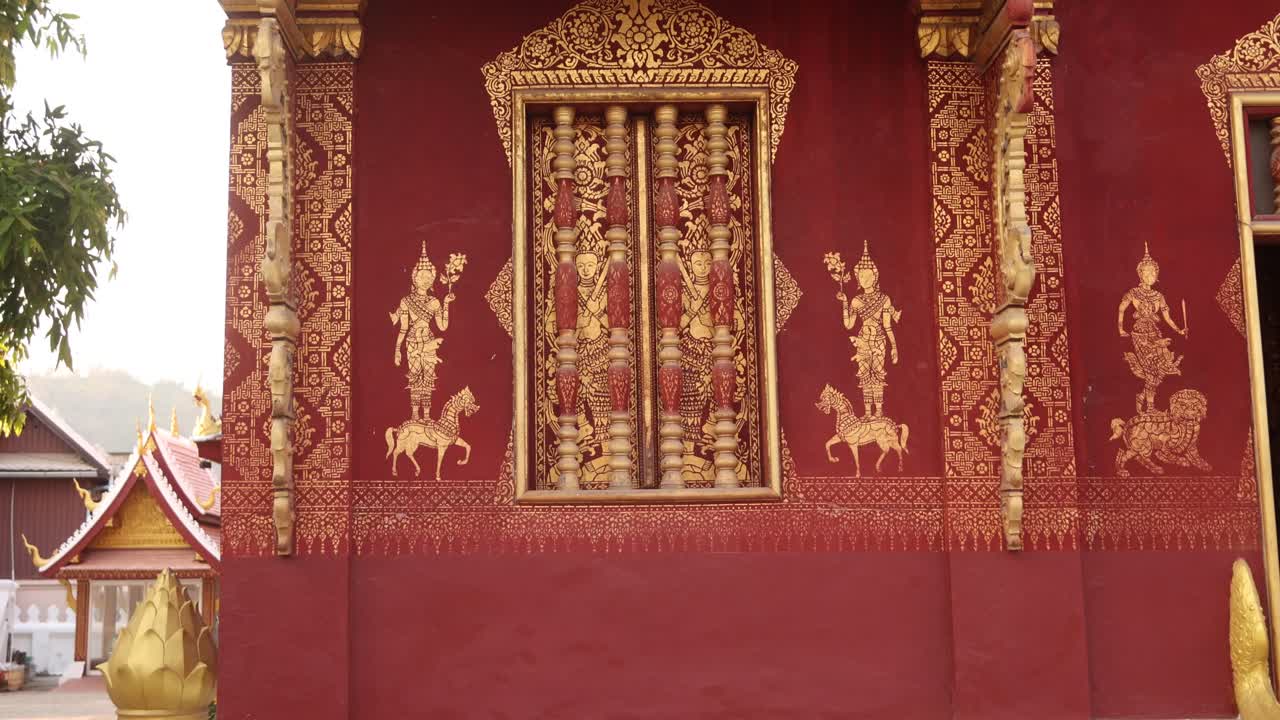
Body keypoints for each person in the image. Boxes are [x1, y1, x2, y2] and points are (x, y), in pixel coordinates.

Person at [1117, 242, 1184, 413]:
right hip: (1140, 335)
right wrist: (1121, 329)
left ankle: (1142, 397)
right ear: (1140, 274)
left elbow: (1167, 317)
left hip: (1155, 333)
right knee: (1151, 371)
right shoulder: (1134, 293)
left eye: (1154, 272)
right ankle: (1150, 407)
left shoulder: (1159, 296)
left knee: (1160, 369)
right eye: (1147, 272)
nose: (1151, 275)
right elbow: (1121, 308)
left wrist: (1179, 330)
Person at [837, 240, 901, 417]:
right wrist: (844, 303)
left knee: (878, 375)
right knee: (865, 375)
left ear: (875, 276)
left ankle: (879, 412)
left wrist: (894, 347)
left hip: (879, 341)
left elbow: (887, 326)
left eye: (868, 276)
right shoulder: (856, 300)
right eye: (861, 276)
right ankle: (867, 412)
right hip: (862, 341)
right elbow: (848, 325)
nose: (864, 280)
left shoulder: (884, 299)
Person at [392, 243, 455, 421]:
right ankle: (414, 413)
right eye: (422, 276)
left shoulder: (435, 302)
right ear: (414, 278)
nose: (425, 280)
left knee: (428, 378)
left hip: (429, 343)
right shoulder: (406, 301)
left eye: (429, 276)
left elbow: (442, 326)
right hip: (412, 343)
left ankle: (426, 415)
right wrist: (397, 349)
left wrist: (446, 304)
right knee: (414, 378)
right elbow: (403, 328)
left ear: (433, 279)